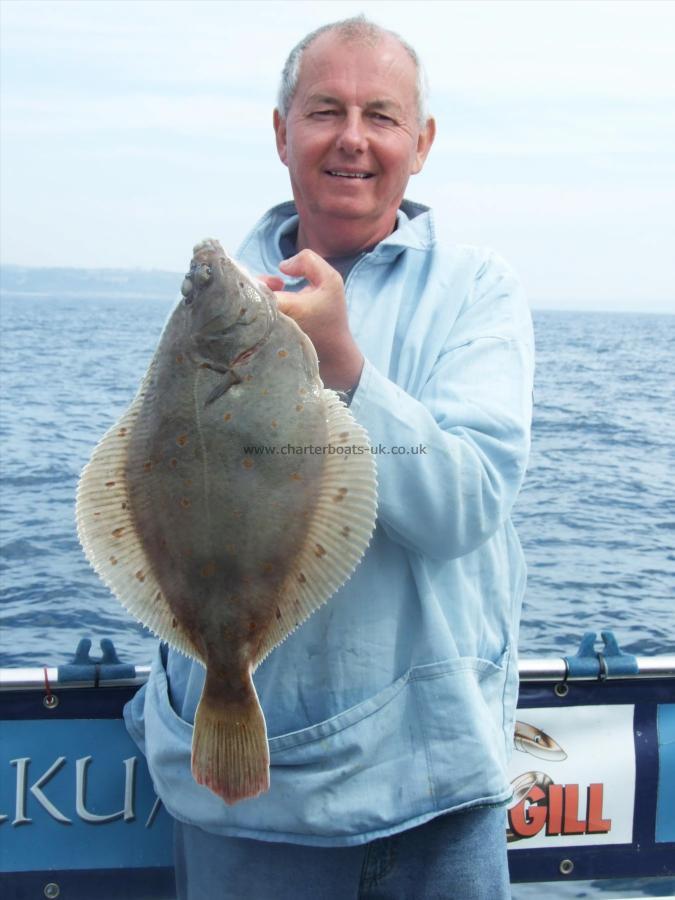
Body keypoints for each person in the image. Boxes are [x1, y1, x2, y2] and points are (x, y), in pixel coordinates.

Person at [125, 15, 534, 899]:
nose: (352, 137)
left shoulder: (475, 290)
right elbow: (158, 476)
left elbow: (465, 508)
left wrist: (346, 366)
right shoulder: (222, 301)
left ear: (420, 144)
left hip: (435, 785)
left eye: (380, 115)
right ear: (281, 133)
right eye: (324, 111)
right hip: (242, 804)